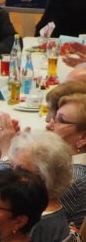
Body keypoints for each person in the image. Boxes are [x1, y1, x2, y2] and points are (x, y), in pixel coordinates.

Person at [9, 128, 74, 242]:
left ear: (45, 177)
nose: (10, 176)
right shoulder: (54, 211)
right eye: (11, 168)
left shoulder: (33, 223)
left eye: (20, 170)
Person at [43, 87, 86, 227]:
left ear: (83, 137)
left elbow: (26, 218)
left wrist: (7, 154)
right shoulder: (67, 165)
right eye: (54, 117)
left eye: (60, 120)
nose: (50, 124)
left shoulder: (74, 178)